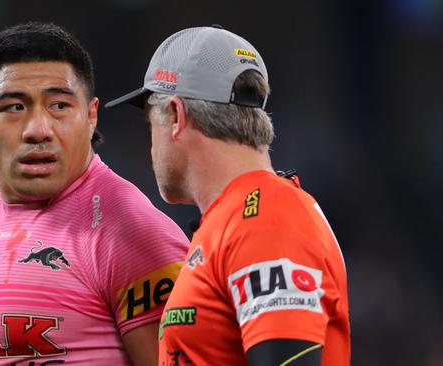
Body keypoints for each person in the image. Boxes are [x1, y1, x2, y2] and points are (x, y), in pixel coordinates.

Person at [0, 22, 189, 366]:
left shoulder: (130, 231)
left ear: (90, 115)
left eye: (58, 106)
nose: (37, 130)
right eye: (14, 107)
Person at [106, 25, 350, 365]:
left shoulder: (266, 216)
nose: (151, 146)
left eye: (151, 125)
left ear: (176, 115)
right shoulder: (237, 219)